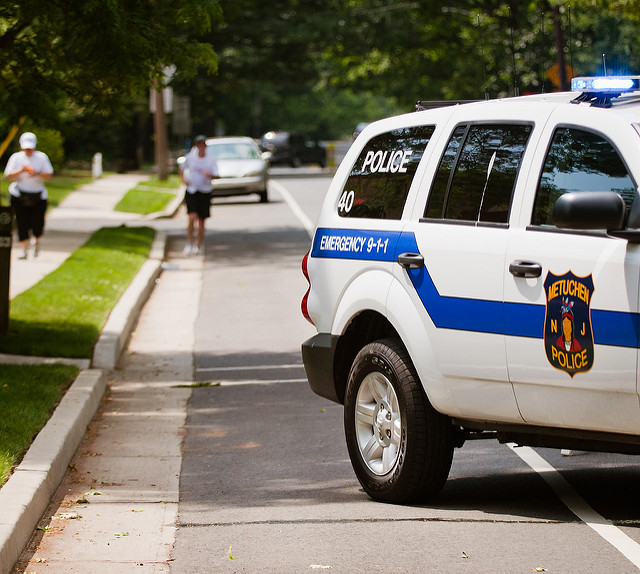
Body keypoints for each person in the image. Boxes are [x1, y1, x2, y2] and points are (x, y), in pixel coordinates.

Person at [4, 132, 53, 259]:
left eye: (30, 148)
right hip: (19, 194)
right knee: (21, 222)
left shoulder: (41, 157)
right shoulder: (16, 158)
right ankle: (24, 250)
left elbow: (49, 175)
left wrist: (37, 173)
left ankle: (36, 242)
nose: (28, 150)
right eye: (26, 148)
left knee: (37, 222)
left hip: (38, 195)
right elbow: (8, 175)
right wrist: (22, 170)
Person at [179, 135, 219, 255]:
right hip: (192, 190)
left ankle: (199, 244)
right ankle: (189, 243)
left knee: (201, 221)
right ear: (196, 146)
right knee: (191, 218)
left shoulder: (211, 159)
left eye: (203, 144)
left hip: (205, 191)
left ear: (205, 146)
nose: (201, 147)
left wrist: (209, 175)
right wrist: (183, 179)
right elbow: (181, 168)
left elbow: (217, 175)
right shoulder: (190, 157)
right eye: (199, 144)